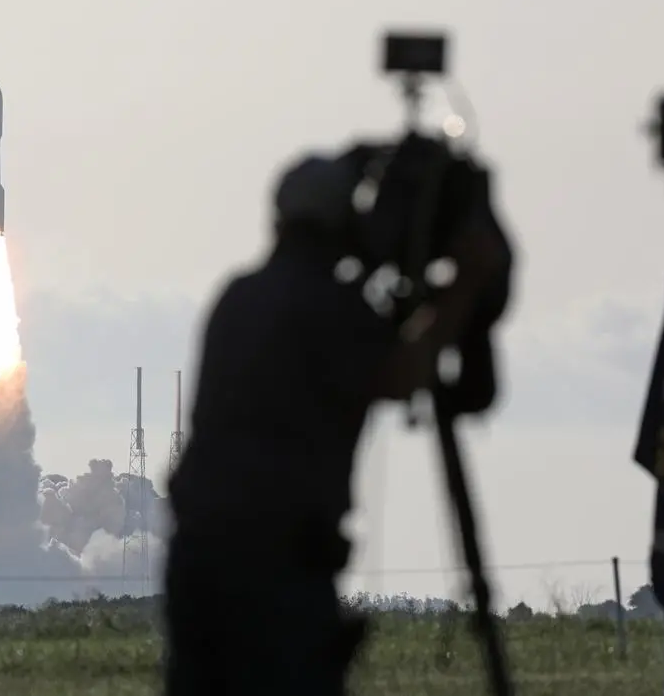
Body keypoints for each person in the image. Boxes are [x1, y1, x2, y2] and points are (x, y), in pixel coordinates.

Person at [162, 153, 512, 695]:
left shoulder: (239, 297)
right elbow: (399, 376)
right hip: (278, 571)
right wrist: (464, 288)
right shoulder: (326, 303)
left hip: (199, 562)